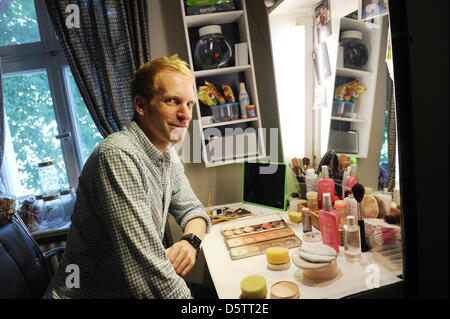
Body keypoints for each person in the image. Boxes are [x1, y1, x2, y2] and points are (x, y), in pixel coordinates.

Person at [45, 54, 211, 298]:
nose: (185, 115)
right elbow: (149, 276)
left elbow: (195, 210)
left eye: (189, 104)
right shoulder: (117, 154)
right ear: (141, 106)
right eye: (172, 101)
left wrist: (191, 242)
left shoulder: (167, 154)